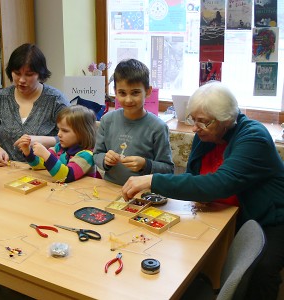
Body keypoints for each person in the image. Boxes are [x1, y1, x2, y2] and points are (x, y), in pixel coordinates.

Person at [122, 81, 284, 300]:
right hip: (223, 213)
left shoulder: (254, 137)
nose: (195, 128)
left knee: (260, 271)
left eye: (203, 121)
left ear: (226, 119)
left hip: (269, 218)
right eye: (193, 119)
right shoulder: (207, 134)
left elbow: (217, 184)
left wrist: (152, 179)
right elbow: (194, 177)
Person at [0, 43, 70, 166]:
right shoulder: (1, 98)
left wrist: (38, 140)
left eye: (29, 74)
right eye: (17, 73)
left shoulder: (56, 100)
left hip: (47, 171)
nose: (22, 80)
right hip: (8, 168)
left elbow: (73, 138)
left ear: (40, 74)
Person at [93, 58, 174, 186]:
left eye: (135, 93)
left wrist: (145, 165)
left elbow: (168, 169)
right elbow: (96, 154)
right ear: (115, 92)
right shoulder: (107, 120)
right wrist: (105, 160)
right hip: (110, 188)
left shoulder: (158, 127)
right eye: (122, 93)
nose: (128, 100)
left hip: (142, 193)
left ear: (148, 91)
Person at [17, 105, 98, 182]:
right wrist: (27, 152)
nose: (59, 134)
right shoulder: (58, 147)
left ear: (82, 133)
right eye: (59, 129)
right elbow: (39, 165)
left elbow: (66, 176)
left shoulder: (87, 155)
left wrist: (46, 154)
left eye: (65, 131)